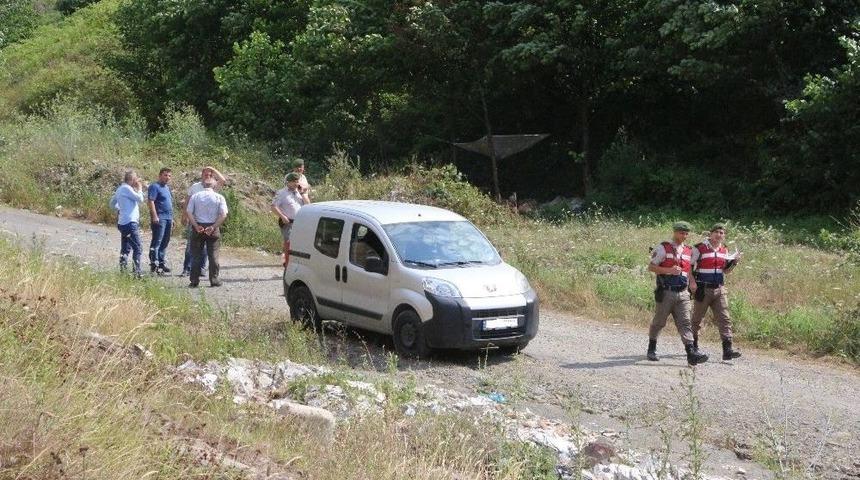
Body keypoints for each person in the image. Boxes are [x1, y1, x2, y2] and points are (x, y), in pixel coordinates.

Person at [646, 221, 709, 365]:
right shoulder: (663, 248)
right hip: (666, 291)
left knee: (685, 323)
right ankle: (651, 348)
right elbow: (651, 267)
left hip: (683, 293)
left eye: (686, 233)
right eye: (682, 233)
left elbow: (688, 270)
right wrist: (669, 270)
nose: (684, 236)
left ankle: (691, 353)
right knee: (659, 322)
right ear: (674, 232)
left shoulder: (688, 250)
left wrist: (692, 282)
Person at [691, 223, 743, 361]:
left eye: (722, 233)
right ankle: (693, 348)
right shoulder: (699, 248)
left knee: (725, 319)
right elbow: (688, 267)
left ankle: (727, 350)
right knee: (696, 320)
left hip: (719, 288)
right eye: (717, 232)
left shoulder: (724, 250)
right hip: (703, 288)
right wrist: (692, 282)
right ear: (710, 233)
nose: (719, 235)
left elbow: (725, 270)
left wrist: (735, 262)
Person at [181, 166, 227, 276]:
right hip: (195, 221)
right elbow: (187, 202)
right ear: (201, 175)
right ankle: (187, 268)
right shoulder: (195, 187)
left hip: (210, 222)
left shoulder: (213, 186)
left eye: (210, 175)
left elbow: (223, 180)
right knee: (191, 246)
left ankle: (201, 269)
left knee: (206, 248)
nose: (208, 176)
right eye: (206, 174)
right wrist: (184, 215)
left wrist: (212, 168)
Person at [109, 170, 146, 278]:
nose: (137, 181)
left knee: (125, 248)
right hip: (130, 222)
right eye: (136, 179)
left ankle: (123, 271)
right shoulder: (127, 188)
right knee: (138, 248)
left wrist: (120, 209)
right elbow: (140, 199)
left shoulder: (120, 189)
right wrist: (139, 188)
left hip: (123, 222)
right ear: (132, 180)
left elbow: (111, 204)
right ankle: (137, 273)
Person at [272, 172, 308, 267]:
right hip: (288, 222)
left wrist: (303, 193)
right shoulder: (282, 193)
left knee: (300, 244)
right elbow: (273, 207)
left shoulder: (299, 192)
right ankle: (287, 264)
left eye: (298, 181)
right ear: (289, 182)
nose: (297, 184)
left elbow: (309, 205)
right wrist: (282, 216)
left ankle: (296, 263)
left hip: (300, 222)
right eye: (295, 182)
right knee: (289, 243)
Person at [147, 167, 174, 275]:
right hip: (160, 218)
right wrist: (154, 216)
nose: (167, 177)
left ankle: (161, 263)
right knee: (157, 241)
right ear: (160, 175)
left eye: (169, 176)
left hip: (168, 218)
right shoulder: (154, 186)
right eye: (165, 175)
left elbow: (170, 205)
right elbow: (151, 201)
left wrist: (172, 219)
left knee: (165, 241)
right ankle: (154, 264)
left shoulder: (167, 188)